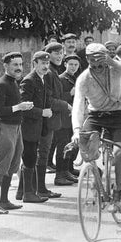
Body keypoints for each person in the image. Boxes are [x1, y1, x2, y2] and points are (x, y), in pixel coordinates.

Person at [71, 43, 121, 212]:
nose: (97, 67)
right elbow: (78, 106)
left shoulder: (115, 69)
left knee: (120, 153)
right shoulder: (84, 78)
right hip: (95, 116)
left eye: (101, 63)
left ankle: (117, 193)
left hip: (116, 114)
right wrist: (76, 130)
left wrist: (113, 63)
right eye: (93, 63)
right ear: (87, 60)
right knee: (86, 148)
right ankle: (96, 174)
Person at [0, 52, 31, 214]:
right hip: (5, 127)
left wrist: (22, 106)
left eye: (20, 64)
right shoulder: (1, 85)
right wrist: (18, 107)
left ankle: (4, 200)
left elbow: (12, 106)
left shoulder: (14, 82)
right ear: (6, 66)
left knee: (13, 163)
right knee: (1, 164)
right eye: (15, 65)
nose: (19, 68)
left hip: (15, 127)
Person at [17, 51, 53, 204]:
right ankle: (28, 194)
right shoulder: (29, 81)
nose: (46, 66)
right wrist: (42, 112)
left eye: (47, 63)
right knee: (30, 157)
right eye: (42, 63)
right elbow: (23, 106)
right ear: (34, 63)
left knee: (31, 157)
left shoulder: (42, 79)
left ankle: (21, 192)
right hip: (28, 127)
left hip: (36, 126)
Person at [37, 43, 69, 198]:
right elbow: (48, 100)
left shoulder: (54, 72)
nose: (59, 56)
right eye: (56, 53)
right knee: (42, 154)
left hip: (52, 118)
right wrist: (66, 105)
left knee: (44, 153)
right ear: (47, 55)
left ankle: (40, 188)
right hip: (46, 119)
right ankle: (40, 188)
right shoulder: (49, 73)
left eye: (61, 53)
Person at [54, 53, 80, 186]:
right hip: (63, 118)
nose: (73, 67)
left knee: (70, 145)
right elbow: (56, 98)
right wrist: (69, 94)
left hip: (71, 117)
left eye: (76, 65)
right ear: (65, 64)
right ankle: (60, 174)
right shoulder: (61, 78)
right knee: (62, 146)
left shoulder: (74, 78)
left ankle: (67, 170)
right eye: (71, 64)